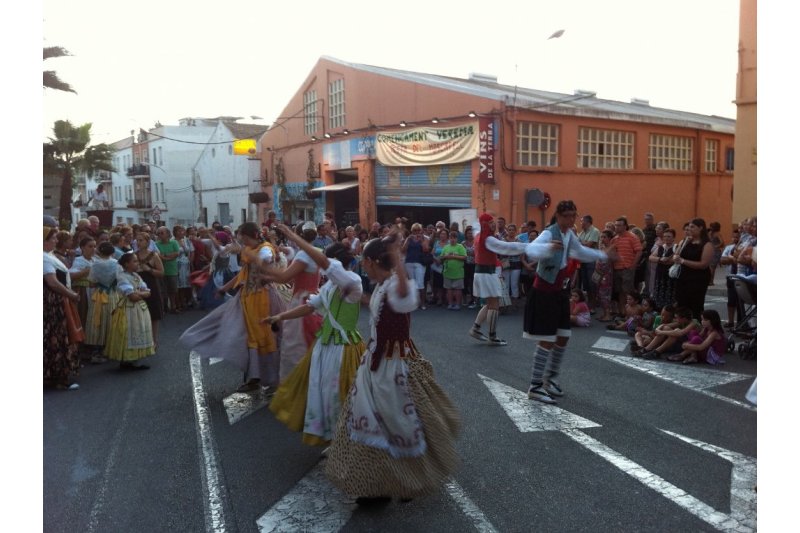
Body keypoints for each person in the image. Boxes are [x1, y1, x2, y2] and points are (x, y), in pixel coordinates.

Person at [324, 231, 461, 505]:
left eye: (365, 261)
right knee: (374, 423)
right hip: (375, 364)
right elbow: (379, 305)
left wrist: (397, 254)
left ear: (375, 261)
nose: (362, 266)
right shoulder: (381, 288)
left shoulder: (395, 287)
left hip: (393, 368)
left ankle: (402, 479)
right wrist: (356, 295)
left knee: (396, 424)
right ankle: (379, 485)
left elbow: (403, 292)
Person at [264, 225, 365, 447]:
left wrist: (292, 236)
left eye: (325, 263)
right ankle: (334, 435)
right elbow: (310, 307)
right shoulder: (329, 286)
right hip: (326, 345)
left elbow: (328, 265)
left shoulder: (352, 282)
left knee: (341, 390)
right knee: (324, 390)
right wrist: (279, 317)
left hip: (345, 347)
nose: (322, 268)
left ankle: (349, 435)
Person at [518, 200, 613, 404]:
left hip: (560, 292)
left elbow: (580, 252)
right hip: (544, 292)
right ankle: (535, 386)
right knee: (547, 339)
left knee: (563, 336)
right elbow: (532, 251)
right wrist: (548, 248)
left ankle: (550, 379)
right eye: (567, 215)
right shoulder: (549, 233)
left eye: (573, 215)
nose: (571, 219)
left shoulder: (569, 234)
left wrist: (603, 255)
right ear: (559, 215)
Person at [180, 222, 286, 393]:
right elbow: (243, 274)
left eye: (241, 235)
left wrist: (245, 252)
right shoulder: (249, 249)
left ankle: (270, 379)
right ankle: (254, 378)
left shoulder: (265, 248)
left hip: (262, 298)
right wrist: (223, 288)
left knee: (264, 337)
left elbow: (265, 261)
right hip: (246, 298)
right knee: (246, 335)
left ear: (248, 235)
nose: (239, 238)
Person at [261, 221, 322, 383]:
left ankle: (299, 384)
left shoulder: (303, 255)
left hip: (301, 300)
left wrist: (264, 274)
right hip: (315, 296)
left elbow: (284, 277)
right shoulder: (317, 251)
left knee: (296, 345)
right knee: (311, 342)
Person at [44, 227, 82, 390]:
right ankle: (58, 377)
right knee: (58, 336)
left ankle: (56, 375)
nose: (55, 241)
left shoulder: (48, 256)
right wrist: (71, 294)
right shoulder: (43, 258)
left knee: (58, 335)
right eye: (52, 238)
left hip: (57, 299)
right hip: (53, 301)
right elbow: (52, 282)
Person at [105, 252, 156, 369]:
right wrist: (140, 293)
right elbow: (132, 297)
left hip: (139, 308)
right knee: (129, 331)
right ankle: (127, 359)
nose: (137, 263)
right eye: (135, 261)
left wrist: (138, 293)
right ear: (127, 264)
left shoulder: (136, 276)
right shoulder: (122, 277)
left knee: (138, 330)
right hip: (128, 309)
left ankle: (134, 359)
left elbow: (148, 292)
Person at [468, 213, 511, 346]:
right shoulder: (487, 239)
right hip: (487, 272)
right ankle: (492, 337)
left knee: (490, 303)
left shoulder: (480, 236)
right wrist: (529, 247)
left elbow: (476, 227)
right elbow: (508, 248)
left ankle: (476, 328)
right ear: (485, 224)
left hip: (483, 272)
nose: (494, 224)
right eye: (491, 221)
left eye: (494, 221)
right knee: (494, 303)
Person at [83, 241, 119, 363]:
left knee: (97, 321)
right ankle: (110, 349)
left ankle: (96, 351)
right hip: (113, 294)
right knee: (111, 319)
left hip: (99, 294)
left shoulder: (95, 265)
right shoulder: (116, 264)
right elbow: (119, 279)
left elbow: (92, 282)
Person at [672, 218, 714, 320]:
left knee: (695, 304)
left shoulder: (707, 244)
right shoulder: (686, 241)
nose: (689, 229)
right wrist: (684, 243)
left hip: (698, 278)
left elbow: (703, 264)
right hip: (683, 277)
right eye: (689, 227)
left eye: (692, 227)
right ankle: (681, 325)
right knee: (681, 303)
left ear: (700, 228)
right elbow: (676, 255)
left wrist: (683, 261)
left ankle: (696, 326)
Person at [134, 232, 164, 351]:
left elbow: (162, 273)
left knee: (154, 313)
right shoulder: (133, 255)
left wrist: (149, 269)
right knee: (139, 312)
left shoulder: (154, 256)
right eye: (137, 240)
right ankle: (141, 340)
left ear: (147, 241)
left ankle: (153, 340)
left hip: (151, 284)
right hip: (137, 285)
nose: (139, 242)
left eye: (141, 240)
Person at [611, 217, 643, 319]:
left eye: (619, 225)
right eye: (616, 225)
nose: (617, 227)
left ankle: (631, 313)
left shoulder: (632, 237)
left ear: (625, 226)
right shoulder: (614, 239)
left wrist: (633, 265)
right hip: (617, 268)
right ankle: (623, 312)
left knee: (628, 291)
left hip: (627, 268)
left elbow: (639, 251)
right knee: (620, 291)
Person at [401, 222, 429, 310]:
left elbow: (426, 249)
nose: (416, 232)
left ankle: (423, 303)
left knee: (420, 283)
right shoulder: (409, 238)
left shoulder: (425, 238)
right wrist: (408, 240)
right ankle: (413, 302)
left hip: (419, 263)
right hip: (409, 262)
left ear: (421, 230)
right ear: (412, 231)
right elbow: (403, 250)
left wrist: (421, 241)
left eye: (418, 230)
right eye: (414, 230)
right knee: (412, 284)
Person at [155, 227, 181, 314]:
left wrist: (164, 256)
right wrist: (168, 256)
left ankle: (173, 306)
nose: (160, 235)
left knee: (173, 290)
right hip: (161, 270)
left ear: (167, 234)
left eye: (162, 233)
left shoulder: (174, 242)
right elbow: (158, 256)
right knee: (163, 290)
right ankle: (164, 307)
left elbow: (176, 254)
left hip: (172, 269)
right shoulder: (156, 244)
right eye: (158, 233)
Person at [577, 215, 600, 308]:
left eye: (582, 221)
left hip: (591, 261)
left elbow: (589, 245)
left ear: (587, 222)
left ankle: (593, 304)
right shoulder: (582, 233)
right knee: (585, 284)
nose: (580, 223)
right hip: (583, 261)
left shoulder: (594, 231)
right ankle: (589, 303)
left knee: (592, 283)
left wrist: (580, 243)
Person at [441, 230, 467, 310]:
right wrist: (446, 256)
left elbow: (464, 257)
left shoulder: (460, 247)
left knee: (457, 289)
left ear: (457, 239)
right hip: (447, 272)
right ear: (449, 238)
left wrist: (453, 256)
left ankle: (458, 304)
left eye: (454, 238)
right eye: (451, 238)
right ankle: (450, 303)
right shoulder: (446, 247)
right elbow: (441, 257)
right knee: (449, 289)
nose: (452, 240)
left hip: (458, 272)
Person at [594, 230, 615, 322]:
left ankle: (608, 314)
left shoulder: (611, 248)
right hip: (598, 273)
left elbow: (607, 263)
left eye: (604, 237)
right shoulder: (602, 247)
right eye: (601, 237)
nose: (602, 239)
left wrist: (602, 274)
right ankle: (604, 313)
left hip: (605, 275)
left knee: (605, 295)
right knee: (599, 294)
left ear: (610, 238)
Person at [173, 225, 195, 311]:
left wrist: (191, 261)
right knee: (177, 285)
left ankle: (185, 301)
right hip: (176, 264)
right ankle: (178, 303)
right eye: (179, 231)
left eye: (182, 231)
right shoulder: (172, 241)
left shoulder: (187, 241)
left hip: (185, 265)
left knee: (185, 284)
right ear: (175, 232)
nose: (181, 233)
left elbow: (190, 252)